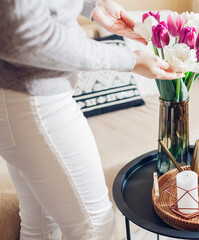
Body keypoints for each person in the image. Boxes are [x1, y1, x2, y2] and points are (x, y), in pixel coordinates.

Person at [0, 0, 182, 239]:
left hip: (19, 97)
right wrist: (129, 59)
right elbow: (24, 32)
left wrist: (92, 7)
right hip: (36, 102)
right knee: (95, 226)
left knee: (41, 224)